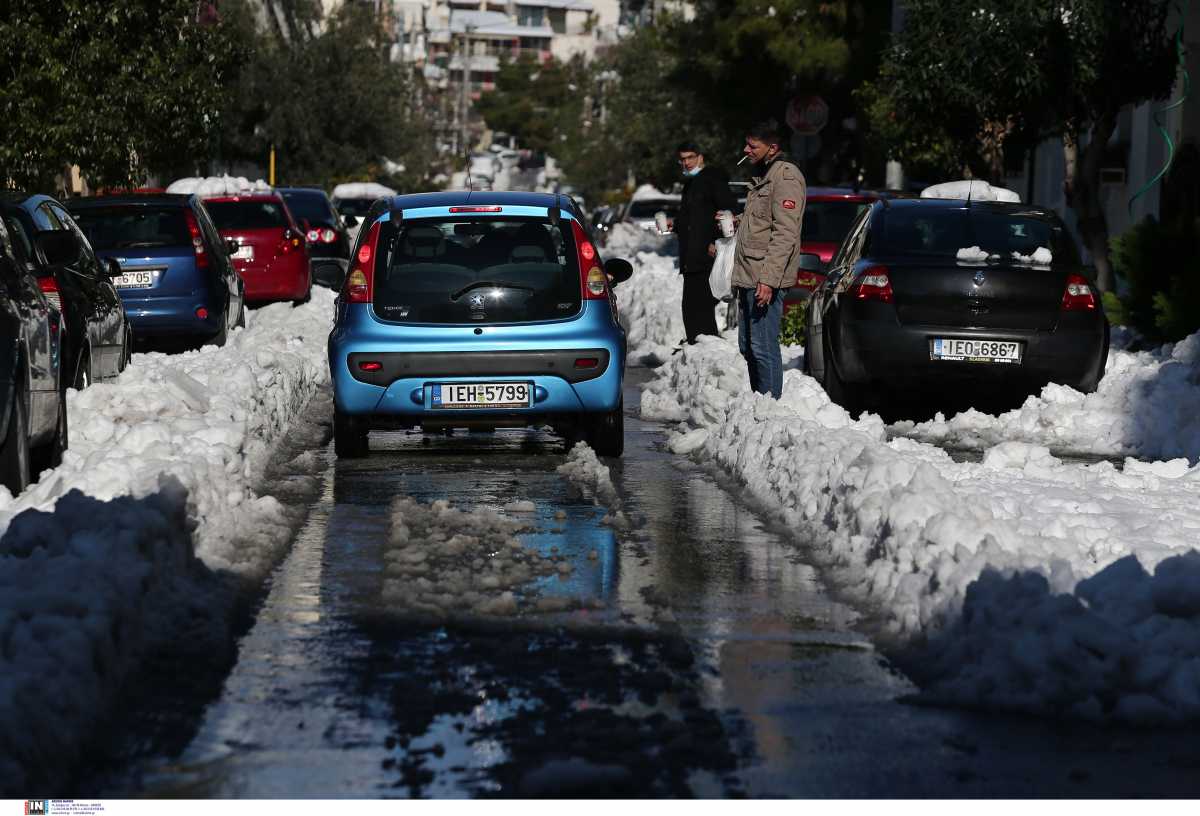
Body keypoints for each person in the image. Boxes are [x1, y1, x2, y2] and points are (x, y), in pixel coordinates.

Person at [730, 118, 806, 399]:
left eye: (753, 146)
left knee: (763, 347)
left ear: (772, 148)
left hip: (764, 278)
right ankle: (758, 402)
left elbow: (786, 233)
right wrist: (738, 221)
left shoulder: (786, 177)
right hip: (750, 274)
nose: (746, 150)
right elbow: (763, 222)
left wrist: (769, 280)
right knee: (748, 346)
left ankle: (770, 407)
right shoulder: (765, 176)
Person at [672, 140, 735, 344]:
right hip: (691, 257)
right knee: (690, 306)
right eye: (683, 159)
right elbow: (693, 218)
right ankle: (696, 345)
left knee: (701, 306)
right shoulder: (690, 183)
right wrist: (676, 224)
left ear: (700, 157)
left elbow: (728, 211)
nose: (687, 163)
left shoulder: (712, 179)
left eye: (690, 157)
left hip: (707, 256)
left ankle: (705, 346)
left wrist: (716, 241)